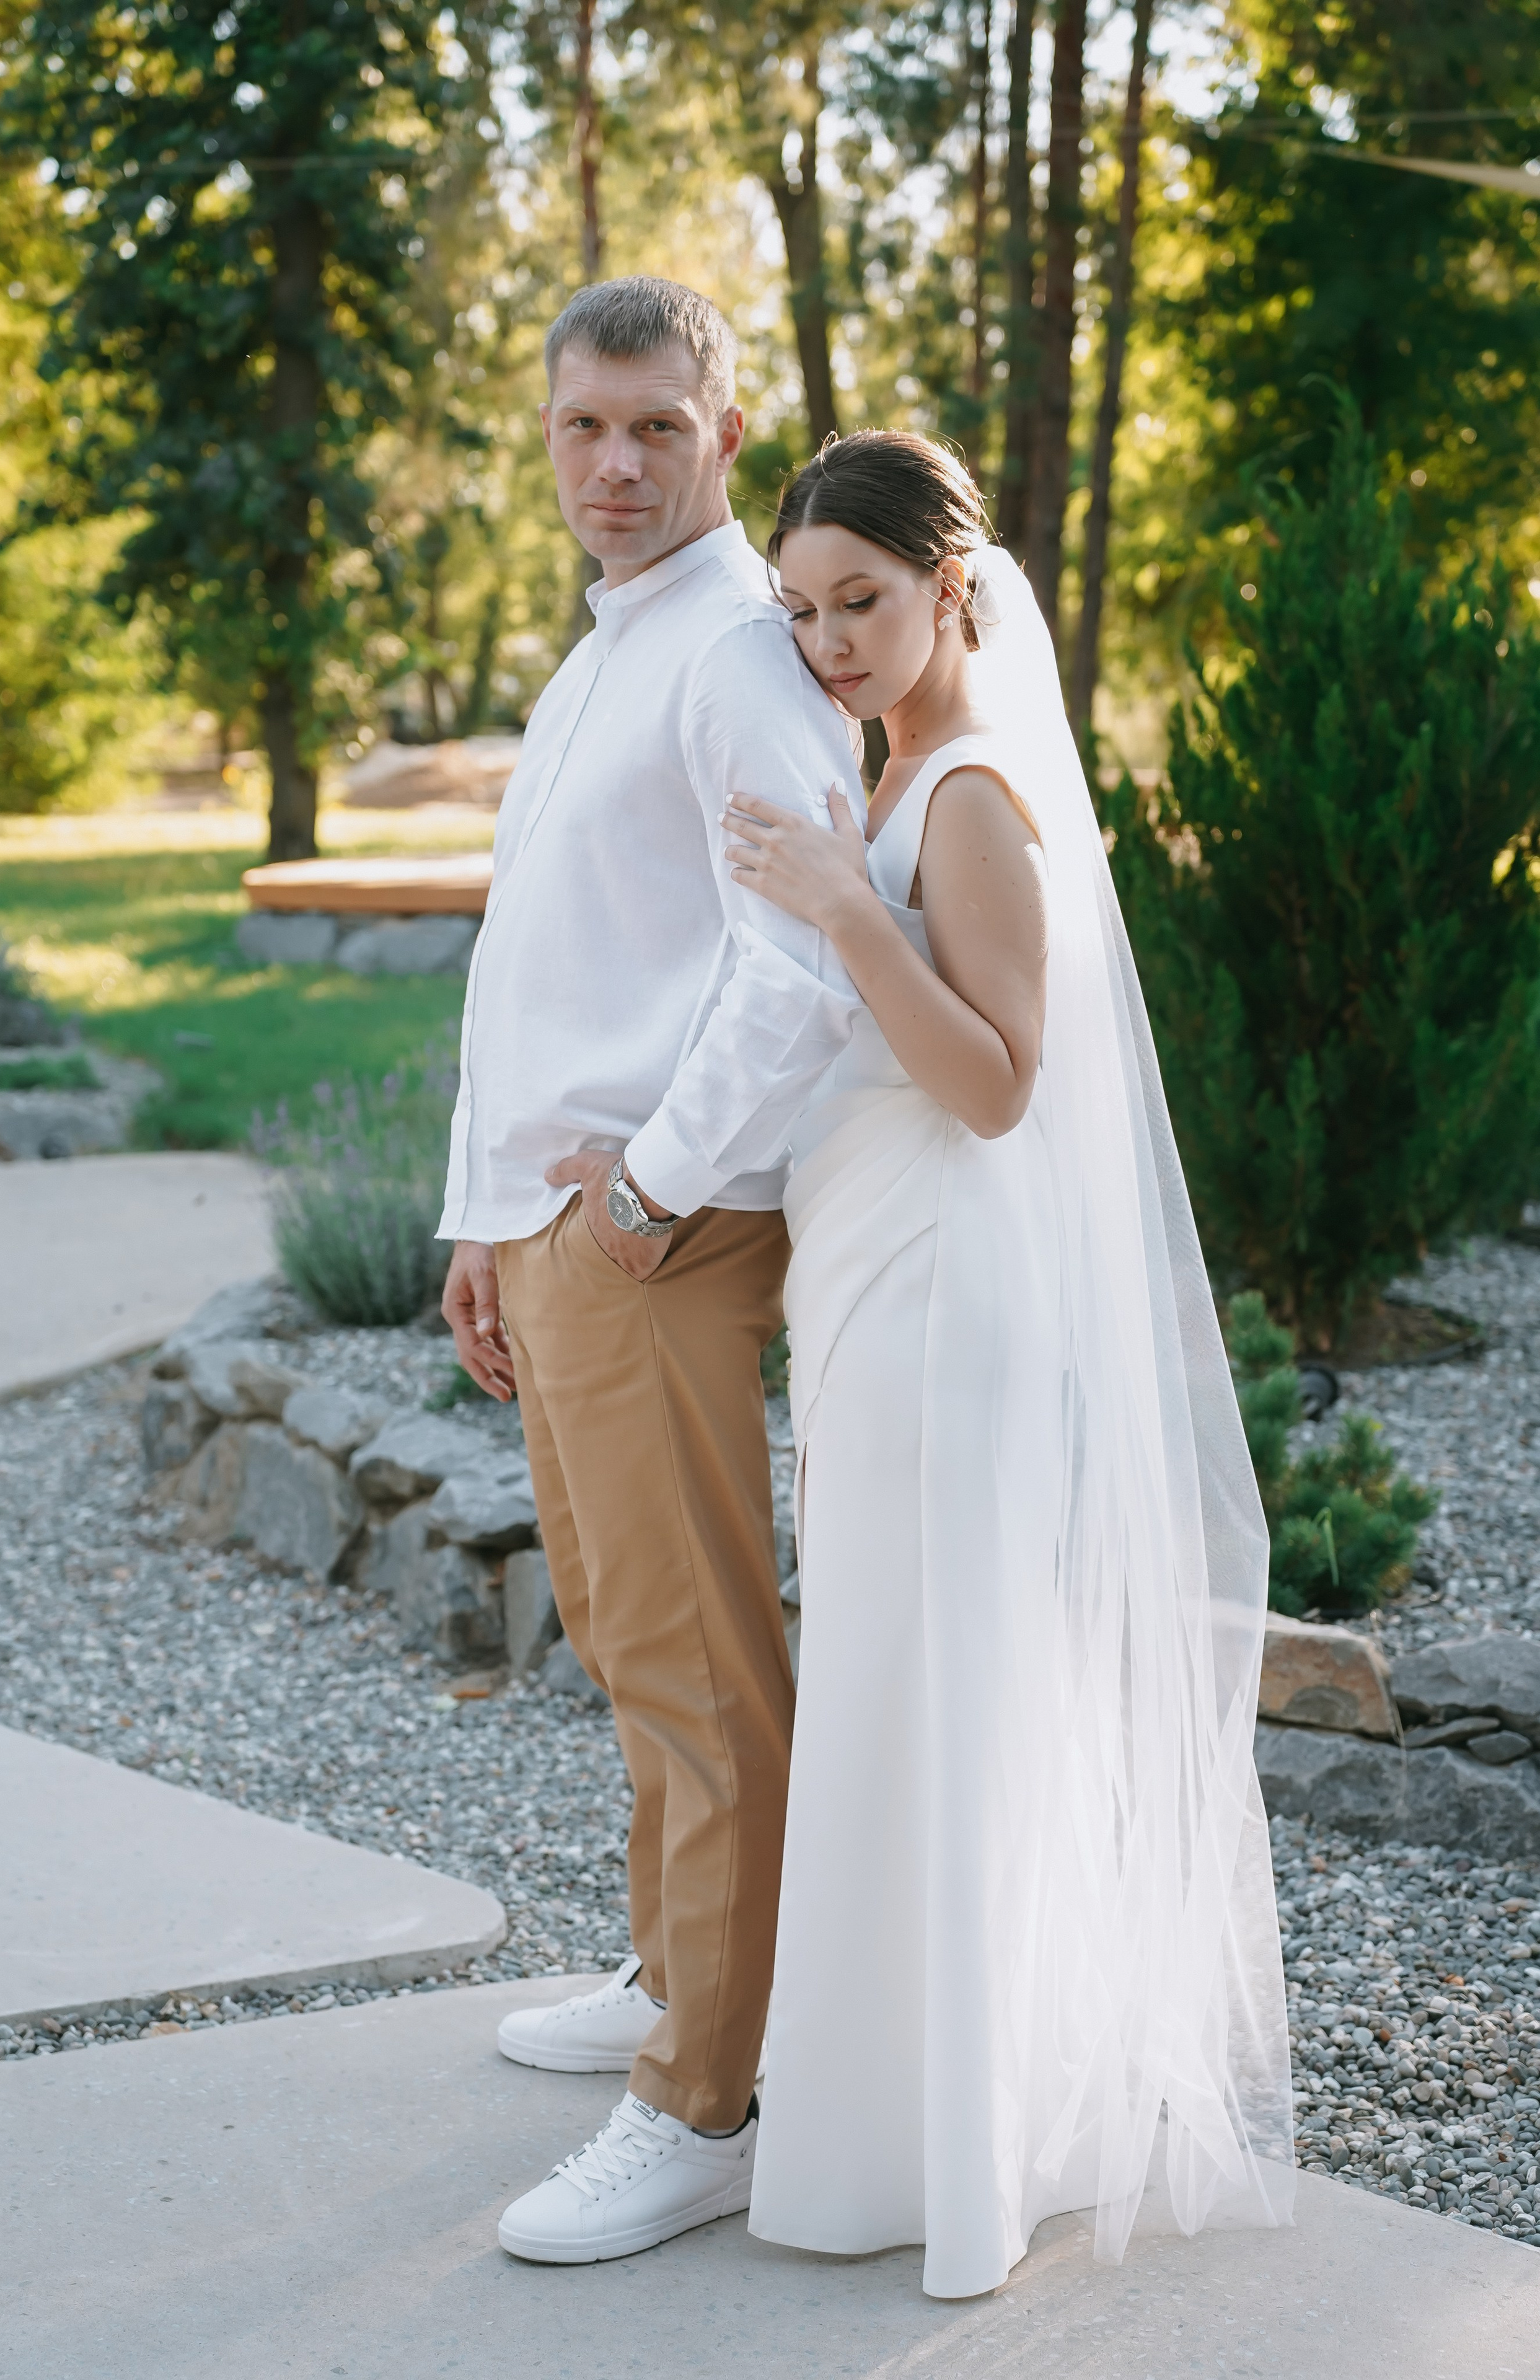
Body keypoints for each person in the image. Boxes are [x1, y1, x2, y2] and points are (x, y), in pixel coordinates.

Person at [722, 431, 1295, 2299]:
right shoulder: (883, 773)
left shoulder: (969, 795)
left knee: (936, 1686)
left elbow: (994, 1081)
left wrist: (841, 909)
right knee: (893, 1681)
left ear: (951, 589)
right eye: (802, 610)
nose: (827, 641)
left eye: (861, 603)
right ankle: (899, 2123)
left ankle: (959, 2157)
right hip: (874, 1293)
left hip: (954, 1303)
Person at [438, 276, 866, 2265]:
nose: (615, 467)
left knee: (698, 1667)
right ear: (545, 426)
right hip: (555, 1230)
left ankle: (704, 2099)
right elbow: (533, 964)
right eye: (584, 428)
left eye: (657, 432)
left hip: (656, 1233)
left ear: (724, 425)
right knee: (621, 1629)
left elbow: (803, 955)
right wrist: (482, 1218)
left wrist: (642, 1195)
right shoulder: (594, 659)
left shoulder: (736, 655)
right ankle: (677, 1967)